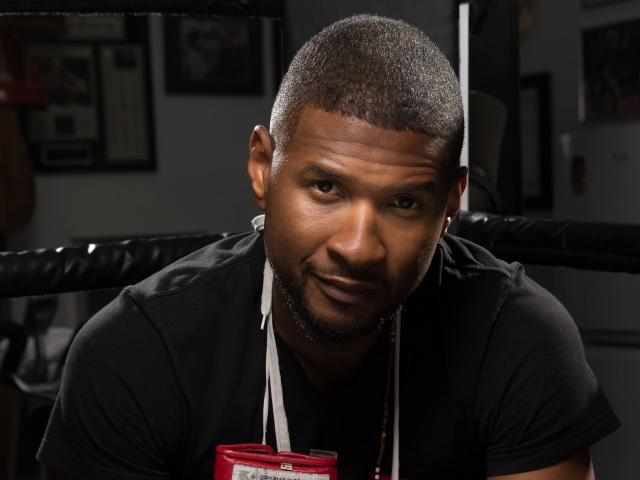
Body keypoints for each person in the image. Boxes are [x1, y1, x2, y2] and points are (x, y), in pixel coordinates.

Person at [37, 14, 619, 480]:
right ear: (262, 167)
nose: (358, 249)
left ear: (450, 203)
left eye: (404, 203)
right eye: (325, 188)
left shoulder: (515, 336)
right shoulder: (140, 350)